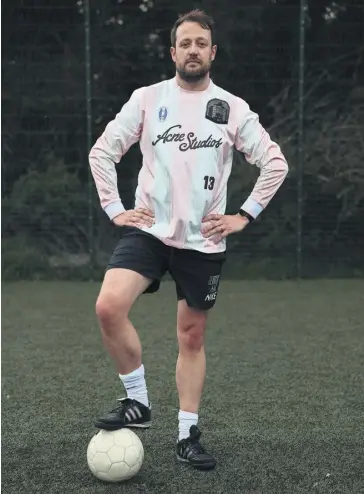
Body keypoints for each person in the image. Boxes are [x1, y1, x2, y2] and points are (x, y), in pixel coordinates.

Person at [88, 9, 288, 471]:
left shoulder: (233, 108)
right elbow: (104, 150)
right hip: (149, 230)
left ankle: (186, 434)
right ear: (173, 51)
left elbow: (274, 163)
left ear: (212, 53)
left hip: (203, 239)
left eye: (202, 43)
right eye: (186, 43)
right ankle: (136, 403)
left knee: (191, 336)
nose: (193, 50)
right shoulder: (148, 99)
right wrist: (116, 209)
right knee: (108, 306)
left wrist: (244, 214)